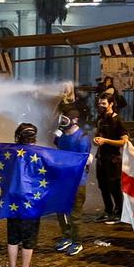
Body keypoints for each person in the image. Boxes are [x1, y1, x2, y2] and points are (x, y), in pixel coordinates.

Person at [54, 109, 91, 257]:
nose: (62, 123)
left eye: (65, 120)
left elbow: (81, 161)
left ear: (74, 120)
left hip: (77, 182)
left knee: (75, 214)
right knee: (60, 211)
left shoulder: (82, 138)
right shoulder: (62, 136)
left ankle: (77, 241)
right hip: (62, 180)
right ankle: (67, 236)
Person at [8, 123, 41, 267]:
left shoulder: (11, 153)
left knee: (13, 236)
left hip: (13, 200)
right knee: (29, 236)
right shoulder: (40, 154)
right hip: (31, 202)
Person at [93, 93, 129, 224]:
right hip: (101, 158)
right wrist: (96, 140)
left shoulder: (118, 120)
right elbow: (97, 135)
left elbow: (124, 141)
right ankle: (108, 211)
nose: (100, 106)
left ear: (111, 104)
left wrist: (106, 141)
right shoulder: (100, 119)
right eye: (99, 103)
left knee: (114, 187)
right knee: (103, 186)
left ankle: (119, 213)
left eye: (103, 103)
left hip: (113, 159)